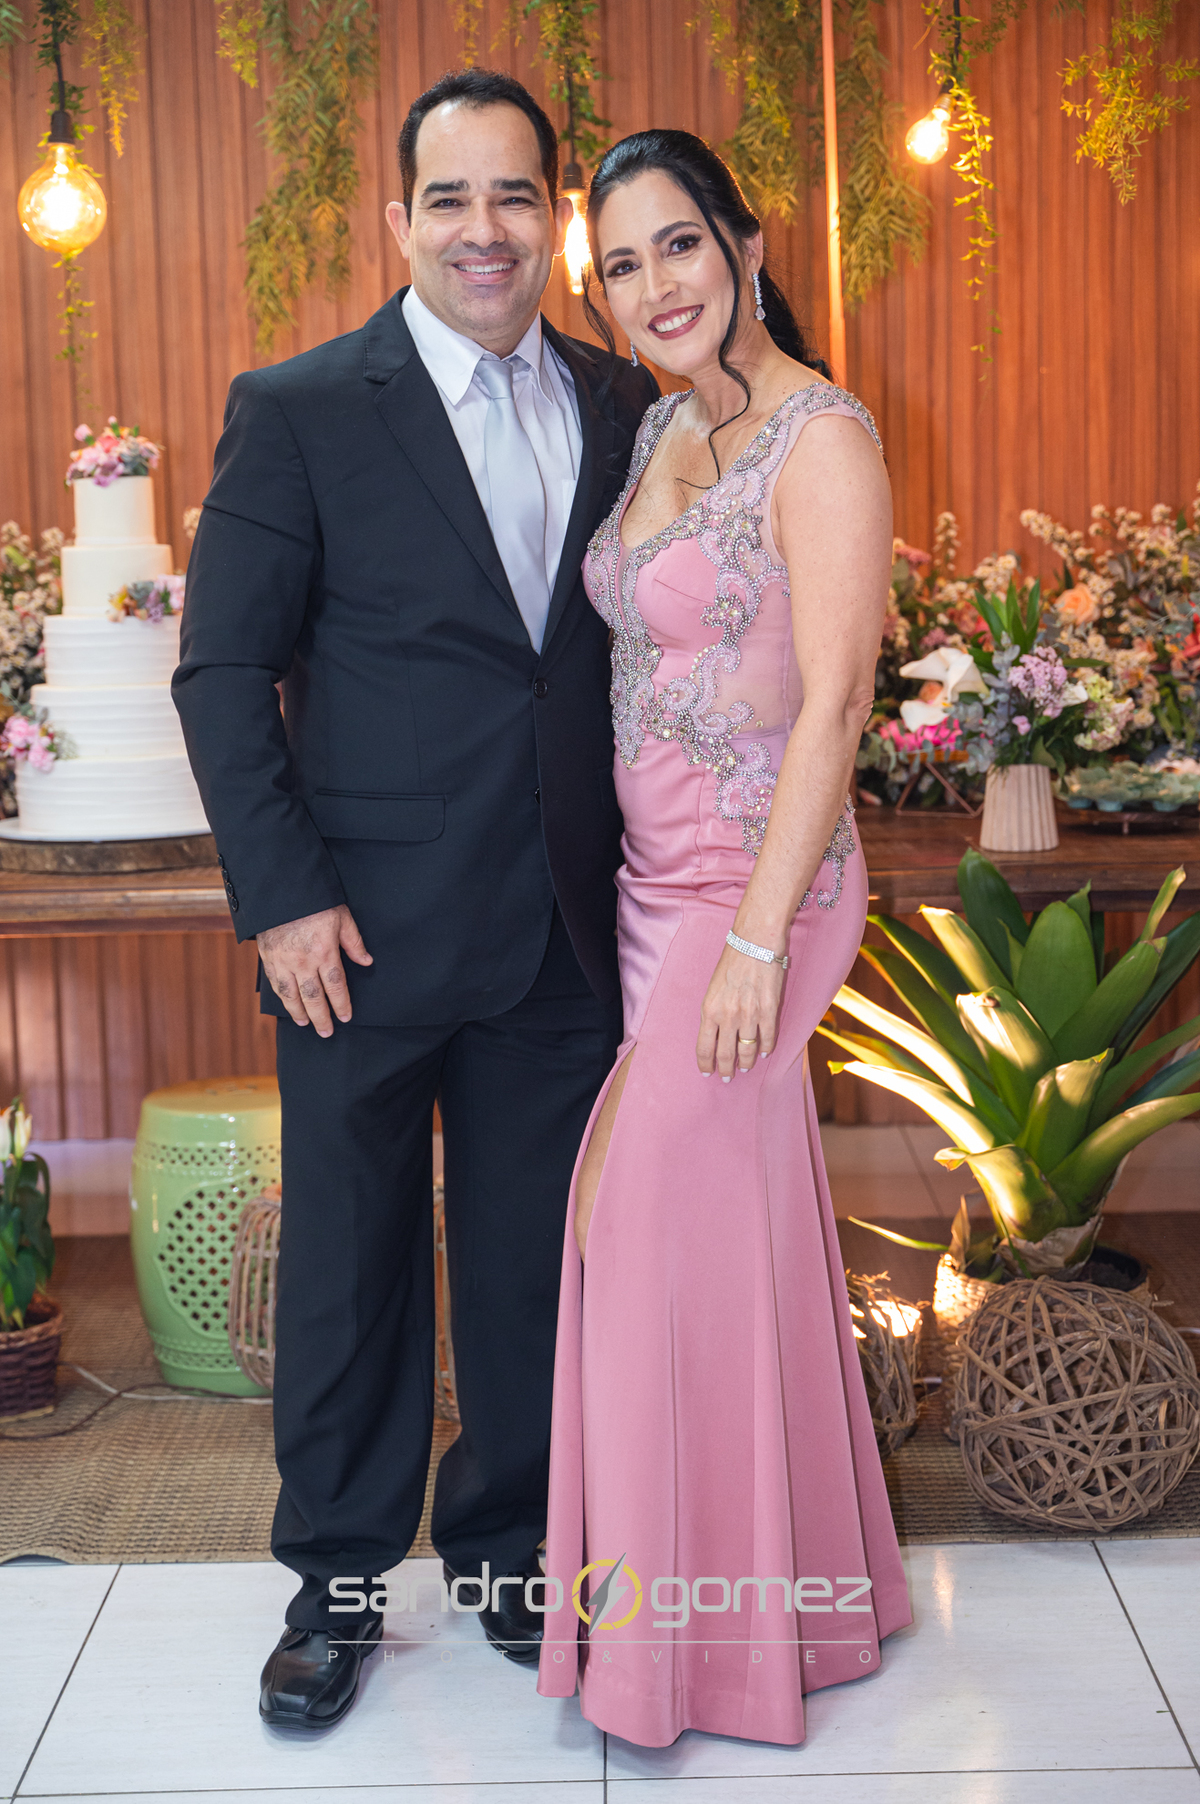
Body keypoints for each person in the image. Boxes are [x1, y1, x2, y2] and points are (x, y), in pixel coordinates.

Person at [173, 70, 657, 1731]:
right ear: (399, 220)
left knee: (531, 1269)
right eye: (450, 198)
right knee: (352, 1271)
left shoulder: (622, 401)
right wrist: (282, 901)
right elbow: (223, 670)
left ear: (555, 220)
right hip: (355, 936)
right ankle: (338, 1587)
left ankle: (515, 1555)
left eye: (515, 195)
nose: (483, 229)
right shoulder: (302, 406)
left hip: (561, 928)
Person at [535, 129, 913, 1748]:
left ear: (747, 247)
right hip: (649, 898)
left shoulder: (821, 436)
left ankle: (668, 1654)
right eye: (621, 266)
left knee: (623, 1234)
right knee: (723, 1241)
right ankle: (801, 1611)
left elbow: (838, 700)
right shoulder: (665, 427)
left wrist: (757, 943)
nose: (655, 286)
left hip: (758, 901)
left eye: (678, 245)